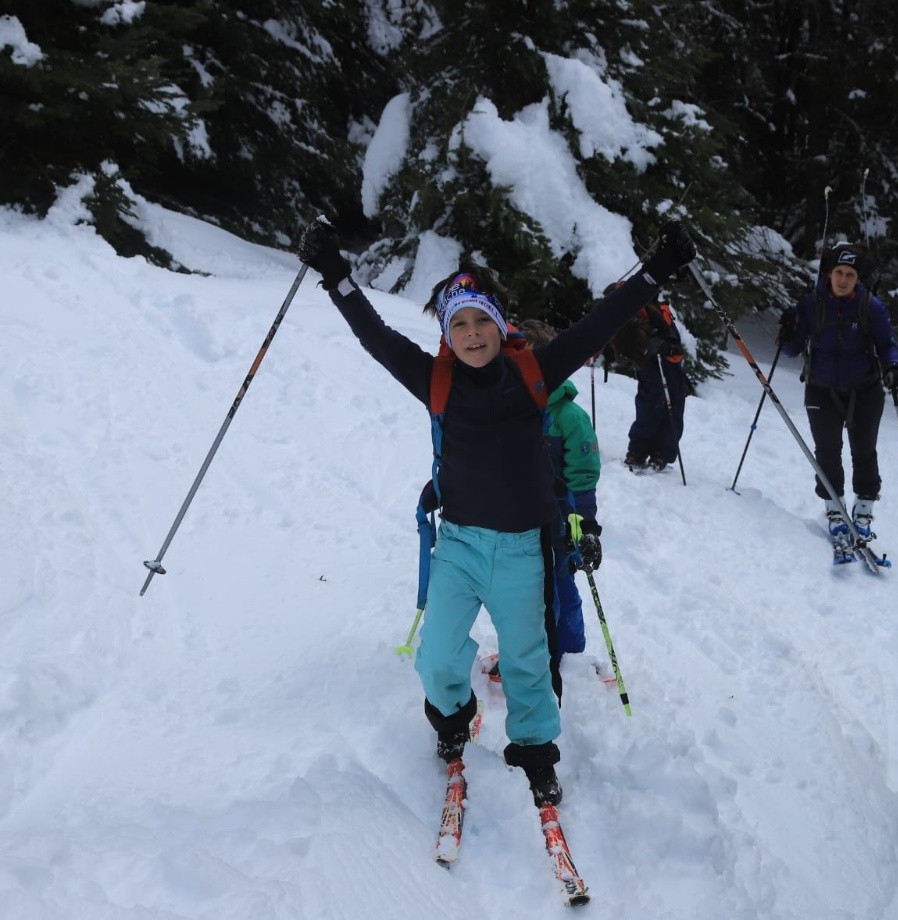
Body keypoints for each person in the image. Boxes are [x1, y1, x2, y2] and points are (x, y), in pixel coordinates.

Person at [296, 218, 697, 807]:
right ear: (445, 332)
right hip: (458, 544)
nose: (473, 332)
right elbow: (375, 336)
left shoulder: (533, 373)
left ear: (500, 324)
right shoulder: (433, 379)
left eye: (482, 318)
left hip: (520, 549)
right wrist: (337, 276)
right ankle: (453, 722)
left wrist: (656, 273)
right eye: (458, 322)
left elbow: (597, 326)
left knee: (528, 660)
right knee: (435, 656)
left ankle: (536, 754)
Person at [777, 243, 898, 539]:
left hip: (865, 390)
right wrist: (786, 332)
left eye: (850, 274)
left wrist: (893, 368)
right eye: (839, 272)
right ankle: (834, 507)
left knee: (864, 450)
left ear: (858, 278)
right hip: (821, 389)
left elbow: (887, 345)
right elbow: (791, 350)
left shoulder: (870, 306)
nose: (844, 279)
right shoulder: (811, 303)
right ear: (830, 273)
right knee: (827, 452)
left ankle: (864, 509)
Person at [521, 319, 600, 661]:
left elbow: (583, 477)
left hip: (559, 519)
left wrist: (587, 526)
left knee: (552, 583)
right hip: (520, 516)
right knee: (544, 582)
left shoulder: (570, 417)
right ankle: (565, 645)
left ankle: (548, 650)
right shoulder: (515, 407)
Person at [609, 290, 688, 472]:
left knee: (671, 401)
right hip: (645, 357)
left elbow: (676, 349)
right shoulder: (622, 310)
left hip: (665, 359)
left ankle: (661, 453)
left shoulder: (654, 312)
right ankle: (639, 450)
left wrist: (662, 347)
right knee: (651, 400)